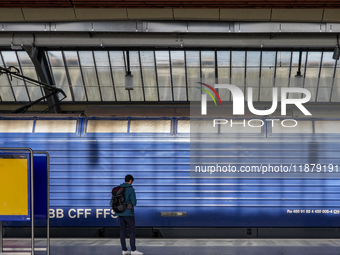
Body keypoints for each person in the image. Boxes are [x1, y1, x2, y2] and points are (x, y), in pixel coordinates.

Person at [115, 174, 143, 255]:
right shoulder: (130, 189)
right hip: (128, 213)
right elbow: (134, 202)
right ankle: (133, 250)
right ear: (130, 181)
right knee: (132, 231)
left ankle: (124, 250)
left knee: (122, 231)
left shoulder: (119, 188)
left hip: (120, 212)